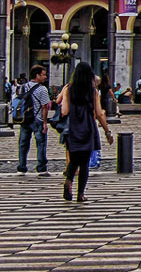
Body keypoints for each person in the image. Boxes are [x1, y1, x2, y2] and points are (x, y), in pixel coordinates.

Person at [58, 62, 113, 203]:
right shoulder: (92, 90)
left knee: (74, 159)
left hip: (73, 127)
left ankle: (69, 181)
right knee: (84, 163)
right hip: (88, 126)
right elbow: (100, 113)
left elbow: (64, 111)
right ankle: (80, 194)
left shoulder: (68, 89)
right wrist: (107, 132)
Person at [15, 65, 51, 177]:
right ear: (37, 75)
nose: (45, 77)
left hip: (25, 119)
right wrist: (45, 122)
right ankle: (41, 168)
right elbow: (45, 106)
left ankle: (21, 167)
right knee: (40, 144)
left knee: (23, 144)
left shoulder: (23, 87)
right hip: (38, 119)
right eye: (43, 74)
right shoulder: (42, 89)